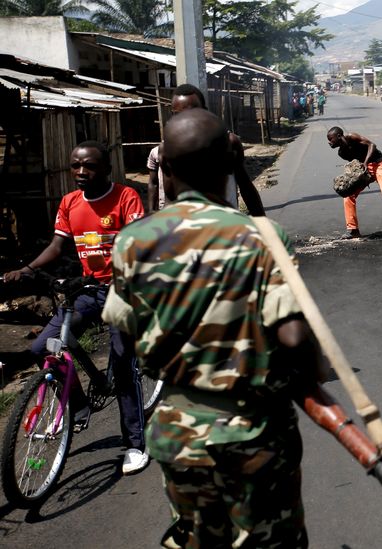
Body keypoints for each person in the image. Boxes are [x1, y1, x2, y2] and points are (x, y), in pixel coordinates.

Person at [103, 109, 328, 548]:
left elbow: (125, 332)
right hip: (254, 434)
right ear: (228, 165)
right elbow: (294, 339)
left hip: (177, 435)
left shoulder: (133, 241)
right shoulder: (263, 237)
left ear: (164, 168)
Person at [4, 141, 149, 475]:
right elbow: (57, 246)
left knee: (124, 366)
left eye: (90, 166)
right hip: (87, 290)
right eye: (76, 166)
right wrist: (26, 270)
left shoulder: (126, 197)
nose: (81, 172)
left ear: (106, 169)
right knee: (44, 346)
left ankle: (135, 444)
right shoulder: (70, 203)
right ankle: (79, 404)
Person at [147, 84, 266, 215]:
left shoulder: (227, 142)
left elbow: (245, 185)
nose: (186, 119)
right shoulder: (167, 148)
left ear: (205, 110)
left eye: (193, 112)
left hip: (225, 222)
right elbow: (168, 196)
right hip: (182, 225)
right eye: (179, 115)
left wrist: (262, 221)